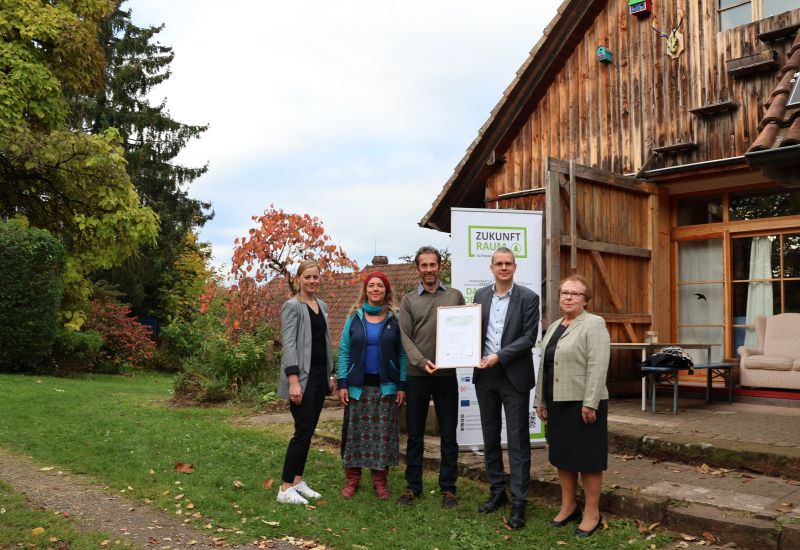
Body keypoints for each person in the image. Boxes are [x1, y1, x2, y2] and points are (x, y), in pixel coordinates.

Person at [534, 274, 610, 537]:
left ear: (585, 300)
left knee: (588, 459)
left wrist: (591, 402)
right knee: (563, 457)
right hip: (557, 402)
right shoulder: (556, 325)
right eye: (564, 293)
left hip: (583, 403)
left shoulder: (594, 323)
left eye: (575, 293)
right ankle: (569, 507)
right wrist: (541, 400)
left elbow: (598, 365)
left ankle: (592, 513)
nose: (568, 297)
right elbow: (545, 366)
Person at [473, 247, 539, 530]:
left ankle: (519, 502)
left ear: (514, 267)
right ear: (491, 268)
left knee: (518, 441)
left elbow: (529, 337)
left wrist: (499, 356)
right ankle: (497, 492)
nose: (503, 268)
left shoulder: (529, 297)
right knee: (490, 438)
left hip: (514, 376)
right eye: (498, 263)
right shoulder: (480, 296)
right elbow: (472, 332)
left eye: (508, 263)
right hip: (485, 377)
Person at [397, 246, 465, 508]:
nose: (428, 269)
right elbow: (405, 337)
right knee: (415, 434)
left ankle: (449, 488)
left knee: (449, 434)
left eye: (432, 264)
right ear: (417, 269)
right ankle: (413, 486)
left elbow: (465, 329)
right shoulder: (408, 301)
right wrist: (421, 362)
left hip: (447, 375)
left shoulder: (455, 296)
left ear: (440, 266)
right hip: (418, 375)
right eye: (423, 265)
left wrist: (465, 354)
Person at [337, 272, 407, 499]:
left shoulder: (395, 318)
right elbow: (344, 351)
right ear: (365, 290)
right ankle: (352, 480)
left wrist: (402, 385)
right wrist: (342, 383)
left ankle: (380, 482)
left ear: (386, 291)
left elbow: (402, 354)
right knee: (355, 436)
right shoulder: (354, 317)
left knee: (382, 437)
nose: (375, 289)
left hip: (386, 388)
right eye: (371, 285)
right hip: (358, 388)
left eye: (380, 286)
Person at [276, 259, 336, 505]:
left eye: (315, 277)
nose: (312, 281)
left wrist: (330, 374)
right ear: (298, 279)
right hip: (302, 378)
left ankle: (297, 481)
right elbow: (289, 344)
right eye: (307, 277)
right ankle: (284, 488)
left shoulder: (322, 305)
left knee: (309, 431)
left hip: (320, 376)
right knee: (302, 432)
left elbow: (325, 342)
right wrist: (293, 381)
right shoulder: (292, 306)